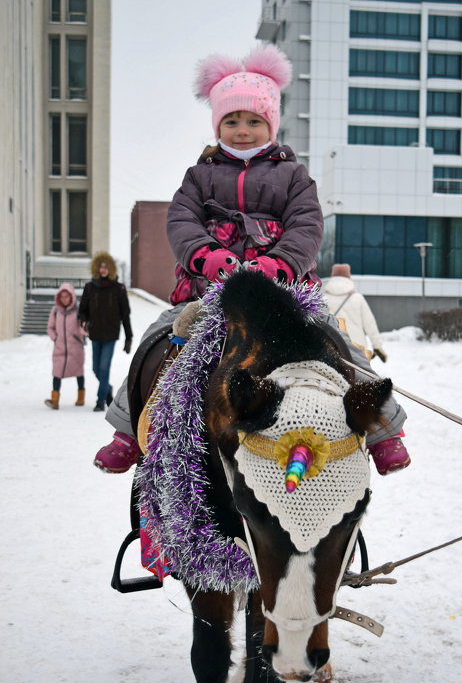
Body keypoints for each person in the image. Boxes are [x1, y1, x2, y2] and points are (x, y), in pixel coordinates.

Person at [94, 44, 410, 476]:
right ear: (218, 125)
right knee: (159, 337)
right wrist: (209, 258)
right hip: (210, 294)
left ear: (271, 124)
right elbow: (182, 220)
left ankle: (384, 433)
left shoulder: (294, 176)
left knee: (344, 346)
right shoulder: (199, 176)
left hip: (284, 296)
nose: (242, 130)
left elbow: (306, 226)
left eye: (253, 121)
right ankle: (128, 433)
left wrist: (277, 265)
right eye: (231, 120)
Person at [78, 252, 133, 413]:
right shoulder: (90, 287)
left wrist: (128, 337)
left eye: (106, 266)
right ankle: (107, 388)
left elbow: (125, 315)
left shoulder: (119, 288)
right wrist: (84, 320)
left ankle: (100, 401)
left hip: (110, 334)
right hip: (95, 333)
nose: (103, 269)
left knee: (104, 368)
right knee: (96, 368)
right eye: (101, 266)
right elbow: (83, 310)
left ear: (111, 269)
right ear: (96, 268)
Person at [322, 264, 388, 362]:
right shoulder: (358, 298)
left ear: (333, 276)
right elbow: (369, 324)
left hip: (331, 346)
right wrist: (377, 346)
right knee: (358, 376)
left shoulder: (323, 299)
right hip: (357, 347)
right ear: (348, 277)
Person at [44, 283, 86, 410]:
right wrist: (55, 338)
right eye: (62, 296)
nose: (64, 299)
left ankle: (80, 398)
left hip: (75, 347)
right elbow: (50, 327)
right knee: (56, 372)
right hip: (60, 348)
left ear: (71, 296)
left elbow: (82, 327)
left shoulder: (78, 310)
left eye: (66, 296)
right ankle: (55, 400)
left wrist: (84, 331)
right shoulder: (56, 311)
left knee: (79, 372)